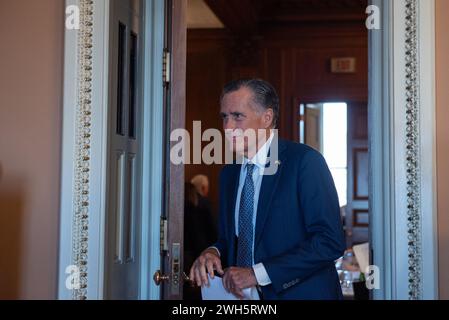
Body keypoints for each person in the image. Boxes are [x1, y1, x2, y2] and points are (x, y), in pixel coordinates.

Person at [189, 79, 346, 300]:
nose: (227, 127)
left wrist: (257, 274)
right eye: (224, 117)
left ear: (267, 118)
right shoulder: (229, 174)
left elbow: (330, 241)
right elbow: (231, 239)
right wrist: (213, 251)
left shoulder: (305, 162)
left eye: (237, 116)